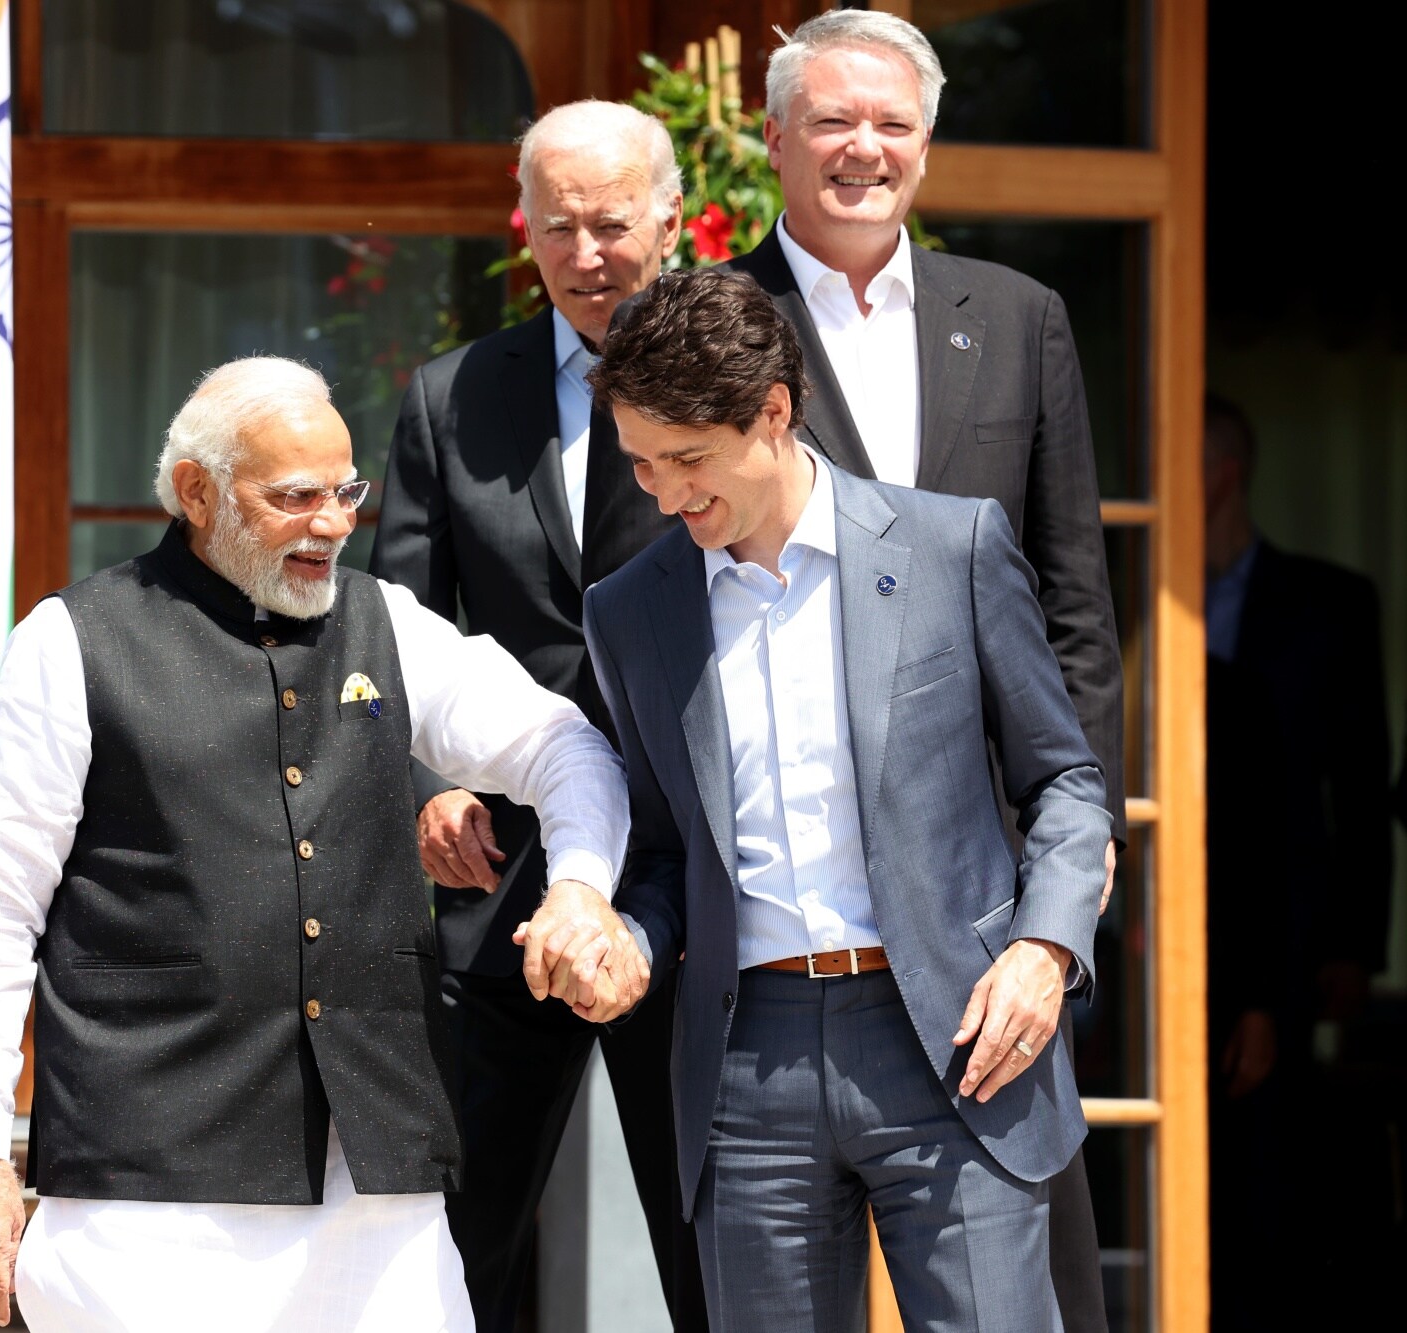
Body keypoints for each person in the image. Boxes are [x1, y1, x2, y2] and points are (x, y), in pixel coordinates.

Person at [594, 13, 1126, 1325]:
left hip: (956, 1008)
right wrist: (615, 927)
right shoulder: (640, 584)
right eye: (832, 120)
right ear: (774, 139)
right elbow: (661, 843)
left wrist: (1048, 934)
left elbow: (1069, 729)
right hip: (749, 1057)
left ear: (771, 416)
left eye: (686, 464)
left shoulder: (964, 506)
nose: (662, 494)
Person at [0, 356, 645, 1332]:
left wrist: (581, 886)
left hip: (378, 1194)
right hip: (144, 1196)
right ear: (197, 492)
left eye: (346, 492)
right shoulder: (68, 642)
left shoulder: (387, 623)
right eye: (295, 496)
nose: (334, 522)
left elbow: (567, 748)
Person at [370, 99, 700, 1333]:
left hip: (684, 874)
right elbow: (395, 628)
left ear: (668, 219)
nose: (585, 253)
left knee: (713, 1251)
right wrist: (427, 787)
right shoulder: (451, 396)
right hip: (495, 883)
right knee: (456, 1255)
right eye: (557, 226)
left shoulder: (736, 378)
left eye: (610, 223)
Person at [1201, 393, 1394, 1322]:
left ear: (1226, 472)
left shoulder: (1328, 603)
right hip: (1160, 922)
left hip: (1289, 924)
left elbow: (1360, 786)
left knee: (1274, 1170)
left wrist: (1355, 944)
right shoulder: (1126, 589)